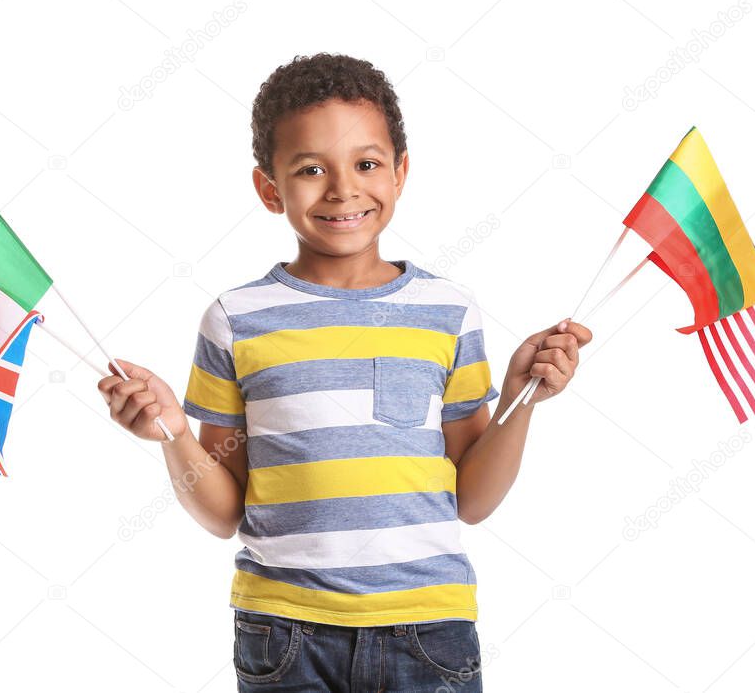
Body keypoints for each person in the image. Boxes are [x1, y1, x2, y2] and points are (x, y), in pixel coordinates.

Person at [98, 52, 592, 692]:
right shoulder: (235, 320)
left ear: (401, 171)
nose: (342, 189)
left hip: (430, 630)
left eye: (366, 164)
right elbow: (225, 512)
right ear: (269, 188)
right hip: (284, 633)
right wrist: (172, 434)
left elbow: (472, 500)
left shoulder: (447, 312)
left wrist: (522, 400)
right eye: (310, 170)